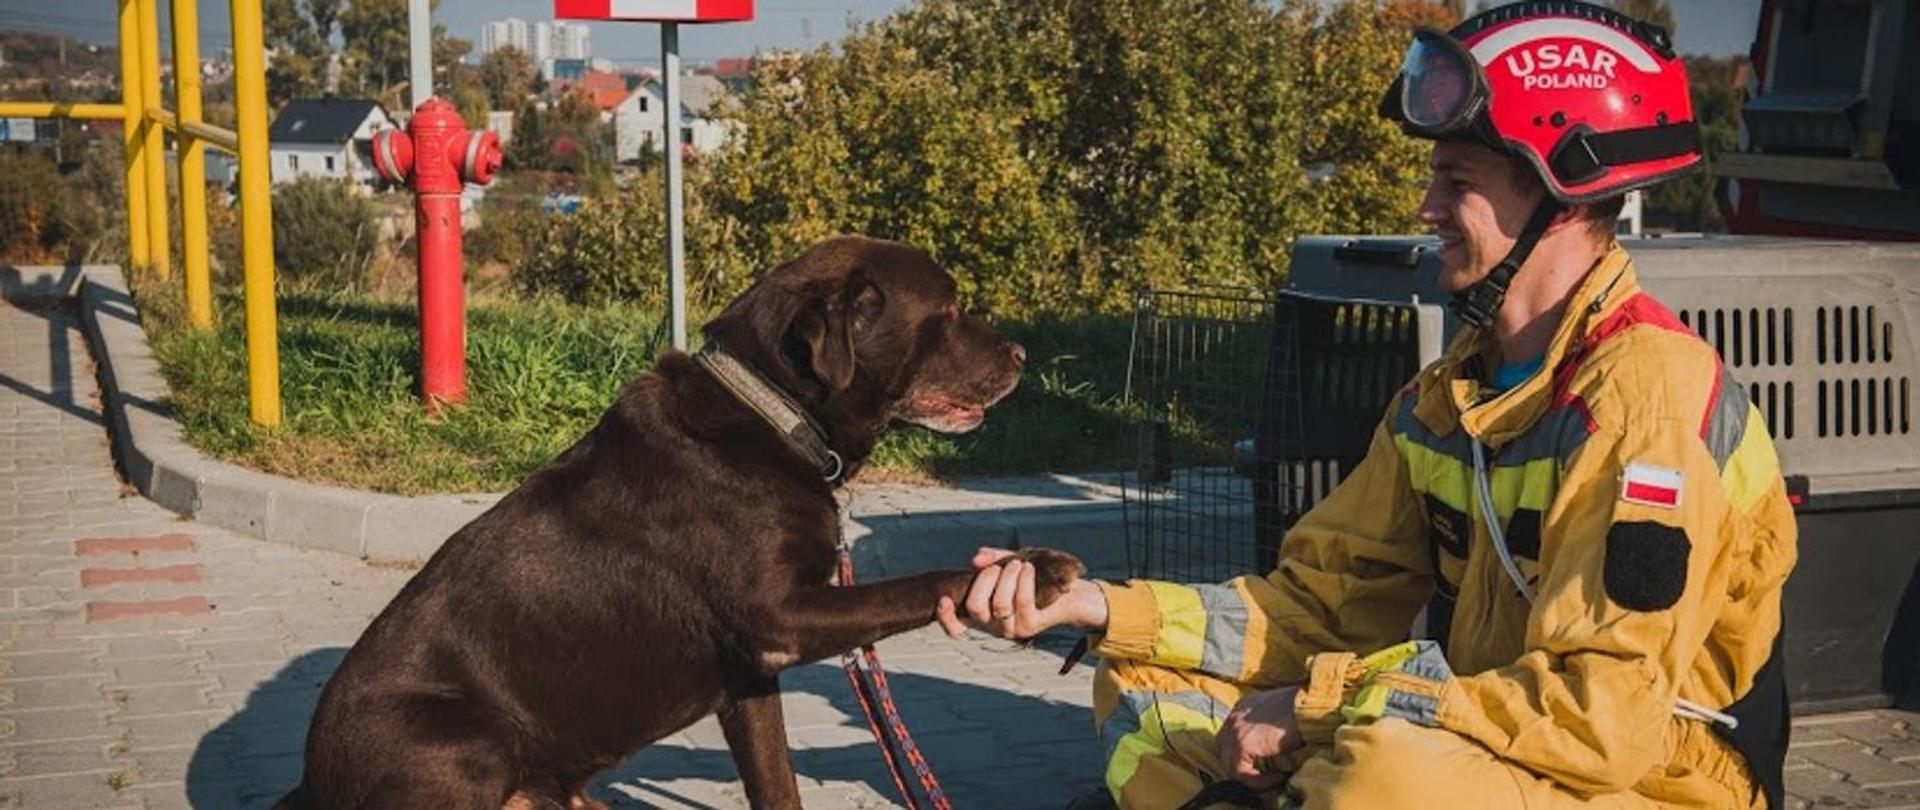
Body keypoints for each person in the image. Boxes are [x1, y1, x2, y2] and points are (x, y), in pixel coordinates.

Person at [937, 3, 1798, 808]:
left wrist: (1318, 706)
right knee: (1140, 681)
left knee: (1383, 768)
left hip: (1658, 775)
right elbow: (1313, 608)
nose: (1425, 209)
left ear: (1560, 190)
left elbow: (1598, 715)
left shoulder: (1645, 401)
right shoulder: (1446, 399)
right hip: (1495, 737)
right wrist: (1094, 608)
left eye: (1455, 180)